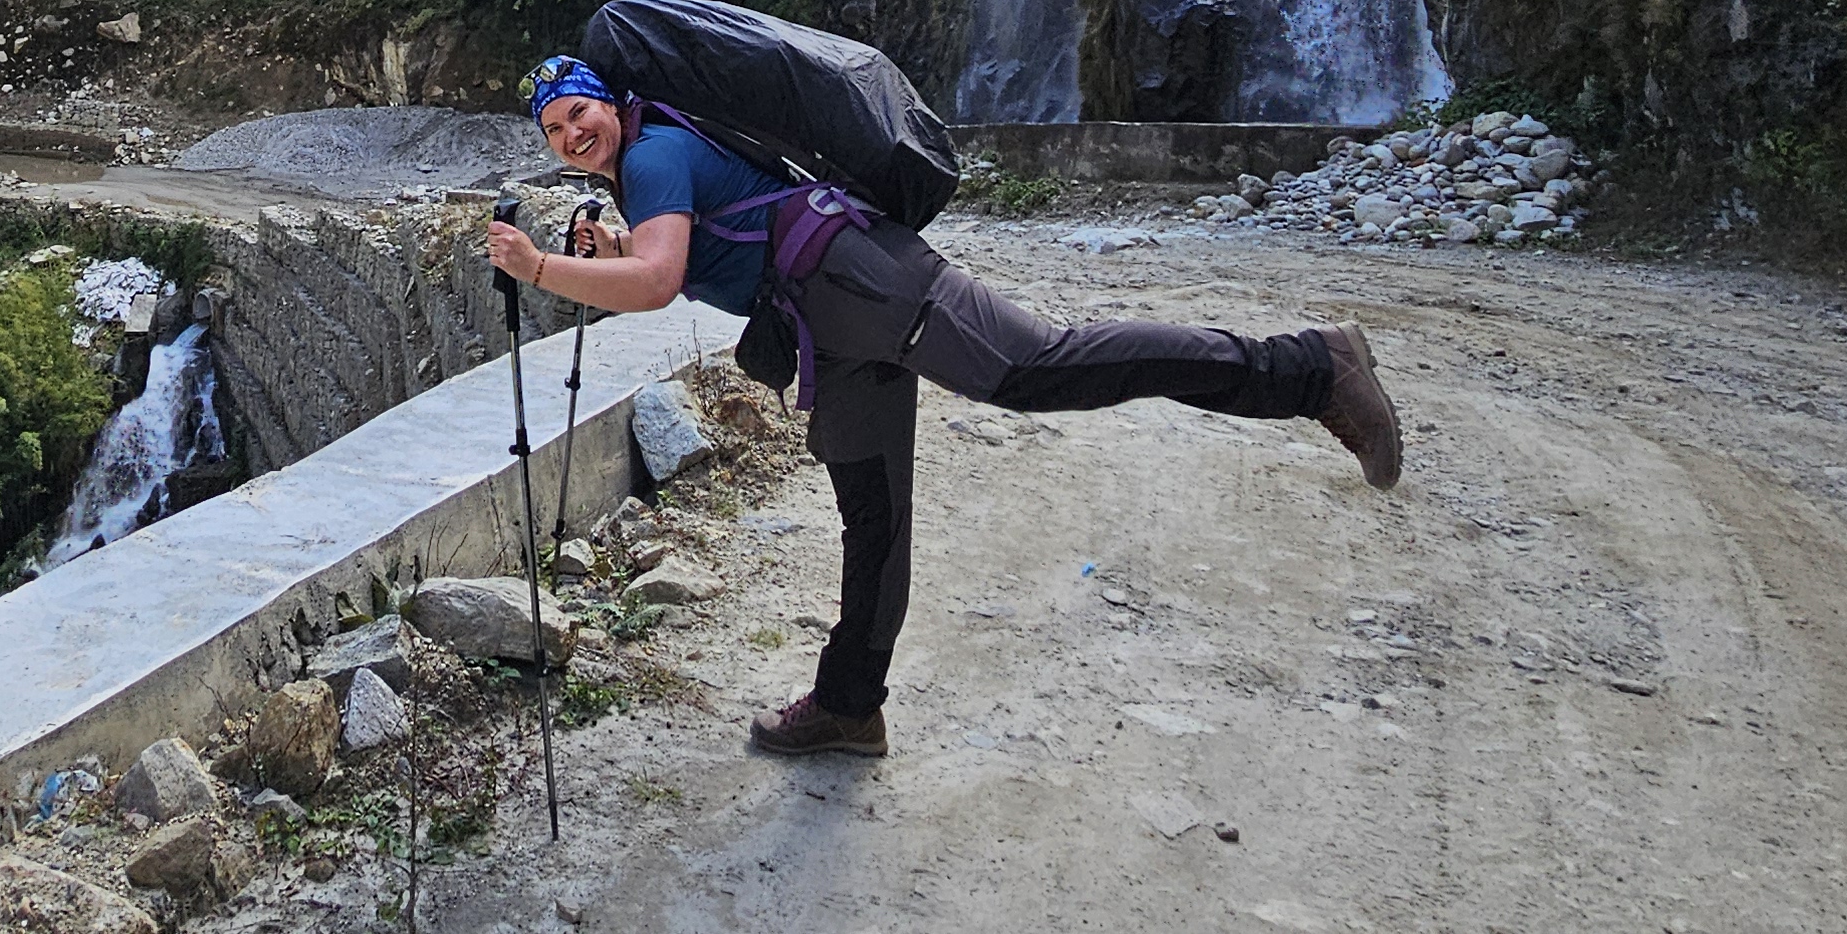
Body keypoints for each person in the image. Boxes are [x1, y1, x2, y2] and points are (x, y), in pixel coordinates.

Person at [490, 54, 1403, 760]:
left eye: (579, 113)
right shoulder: (649, 156)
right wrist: (608, 249)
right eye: (554, 129)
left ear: (608, 103)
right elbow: (686, 250)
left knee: (1041, 365)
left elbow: (657, 283)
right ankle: (850, 706)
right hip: (826, 316)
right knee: (872, 506)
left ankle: (1308, 368)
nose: (571, 135)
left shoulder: (654, 151)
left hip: (866, 282)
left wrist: (540, 268)